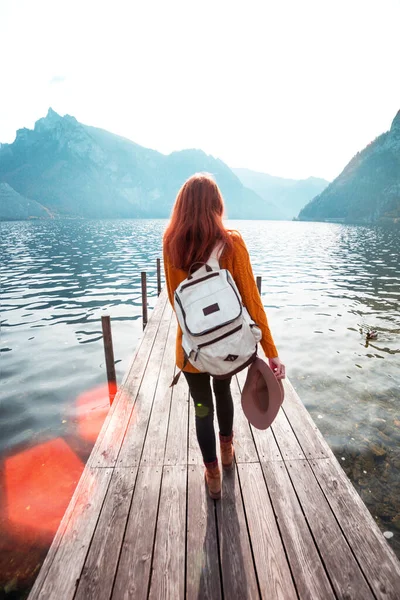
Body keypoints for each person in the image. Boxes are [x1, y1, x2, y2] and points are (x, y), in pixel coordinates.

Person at [163, 173, 285, 499]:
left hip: (193, 352)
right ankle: (228, 451)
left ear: (182, 207)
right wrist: (271, 351)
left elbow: (176, 301)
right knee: (223, 394)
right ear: (217, 205)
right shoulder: (232, 243)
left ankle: (212, 474)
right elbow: (252, 302)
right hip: (227, 348)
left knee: (202, 409)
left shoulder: (171, 243)